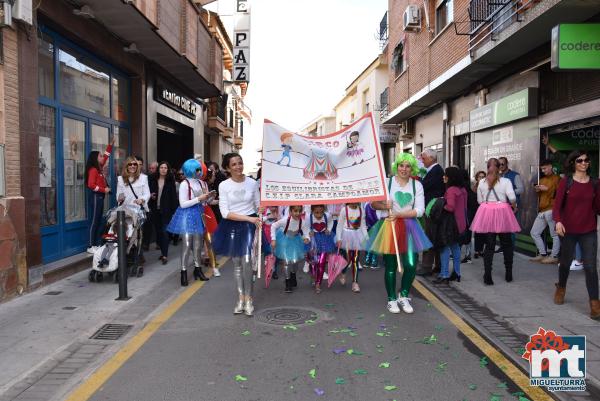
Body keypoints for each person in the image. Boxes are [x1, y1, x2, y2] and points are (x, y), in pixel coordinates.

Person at [367, 153, 432, 314]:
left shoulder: (417, 185)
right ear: (397, 166)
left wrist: (400, 214)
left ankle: (403, 295)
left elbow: (420, 210)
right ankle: (391, 299)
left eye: (408, 166)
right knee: (391, 265)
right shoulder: (387, 183)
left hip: (410, 227)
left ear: (412, 168)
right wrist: (383, 206)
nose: (404, 169)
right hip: (389, 226)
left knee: (410, 264)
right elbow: (373, 204)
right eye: (401, 165)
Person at [212, 153, 262, 316]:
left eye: (240, 163)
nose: (238, 166)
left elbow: (258, 204)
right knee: (237, 263)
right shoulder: (224, 186)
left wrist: (261, 210)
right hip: (231, 225)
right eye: (234, 164)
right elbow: (225, 212)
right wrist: (249, 217)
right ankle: (240, 298)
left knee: (247, 261)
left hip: (249, 226)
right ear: (227, 168)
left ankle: (249, 299)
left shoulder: (252, 183)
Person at [552, 150, 600, 320]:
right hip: (568, 229)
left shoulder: (595, 183)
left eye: (586, 160)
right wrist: (558, 221)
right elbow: (557, 206)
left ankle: (595, 305)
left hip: (588, 230)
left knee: (590, 268)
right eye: (580, 160)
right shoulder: (567, 182)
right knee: (565, 264)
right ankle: (561, 288)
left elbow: (597, 207)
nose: (584, 163)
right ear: (573, 163)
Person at [471, 158, 520, 285]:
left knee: (489, 245)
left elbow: (480, 201)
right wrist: (514, 206)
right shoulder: (505, 181)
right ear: (499, 168)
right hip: (503, 212)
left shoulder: (481, 182)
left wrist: (489, 204)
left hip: (487, 212)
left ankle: (487, 275)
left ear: (487, 167)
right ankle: (508, 273)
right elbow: (512, 197)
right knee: (507, 244)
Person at [167, 159, 213, 286]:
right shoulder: (184, 184)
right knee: (187, 245)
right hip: (187, 215)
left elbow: (205, 203)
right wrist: (200, 198)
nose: (200, 171)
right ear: (191, 170)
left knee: (198, 245)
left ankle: (198, 270)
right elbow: (183, 204)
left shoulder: (202, 183)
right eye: (197, 169)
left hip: (199, 213)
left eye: (200, 169)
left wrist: (209, 198)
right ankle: (183, 271)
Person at [116, 156, 151, 276]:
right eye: (130, 165)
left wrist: (141, 199)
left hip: (138, 210)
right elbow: (118, 195)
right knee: (124, 234)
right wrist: (120, 198)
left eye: (134, 165)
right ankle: (122, 257)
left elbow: (147, 193)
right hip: (124, 211)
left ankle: (137, 258)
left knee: (137, 235)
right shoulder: (121, 179)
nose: (132, 166)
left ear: (137, 166)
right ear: (126, 166)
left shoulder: (143, 178)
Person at [434, 167, 467, 284]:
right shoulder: (462, 189)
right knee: (455, 247)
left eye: (445, 175)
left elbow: (451, 207)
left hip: (450, 224)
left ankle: (444, 274)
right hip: (460, 223)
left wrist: (440, 206)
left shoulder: (451, 190)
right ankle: (457, 273)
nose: (444, 177)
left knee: (444, 248)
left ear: (450, 177)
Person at [85, 137, 115, 253]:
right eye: (100, 156)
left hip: (99, 197)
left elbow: (106, 156)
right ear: (95, 158)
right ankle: (90, 246)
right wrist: (104, 190)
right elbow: (91, 185)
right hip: (96, 197)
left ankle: (95, 244)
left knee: (98, 220)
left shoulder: (99, 167)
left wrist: (110, 145)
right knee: (94, 221)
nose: (102, 158)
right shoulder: (93, 170)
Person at [417, 148, 444, 276]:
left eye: (424, 158)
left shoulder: (436, 171)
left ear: (431, 158)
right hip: (431, 209)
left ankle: (427, 266)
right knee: (433, 237)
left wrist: (418, 178)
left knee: (429, 237)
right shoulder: (431, 170)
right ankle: (437, 266)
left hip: (432, 209)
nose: (422, 161)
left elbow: (424, 187)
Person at [529, 159, 561, 265]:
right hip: (542, 209)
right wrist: (538, 190)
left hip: (552, 209)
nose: (543, 170)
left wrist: (547, 189)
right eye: (542, 169)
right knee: (534, 232)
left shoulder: (558, 179)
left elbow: (560, 195)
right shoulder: (541, 180)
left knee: (554, 234)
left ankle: (554, 256)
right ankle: (543, 254)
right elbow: (541, 195)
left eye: (545, 168)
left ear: (551, 166)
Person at [270, 205, 306, 293]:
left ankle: (293, 275)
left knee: (294, 261)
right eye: (295, 211)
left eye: (299, 211)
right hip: (284, 241)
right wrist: (273, 239)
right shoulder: (285, 220)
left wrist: (306, 237)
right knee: (286, 262)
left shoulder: (302, 221)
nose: (297, 213)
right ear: (290, 212)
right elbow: (273, 226)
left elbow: (305, 230)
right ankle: (287, 282)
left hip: (296, 241)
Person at [148, 161, 178, 265]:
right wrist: (150, 196)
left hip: (167, 210)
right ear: (158, 169)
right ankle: (162, 251)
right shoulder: (152, 179)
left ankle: (165, 255)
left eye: (165, 168)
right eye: (161, 167)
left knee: (165, 232)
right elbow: (147, 193)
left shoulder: (170, 181)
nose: (163, 169)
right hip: (155, 210)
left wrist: (175, 211)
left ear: (168, 169)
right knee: (159, 233)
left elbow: (174, 197)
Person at [336, 202, 368, 293]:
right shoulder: (344, 210)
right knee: (347, 259)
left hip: (357, 236)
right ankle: (343, 273)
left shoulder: (361, 210)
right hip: (346, 236)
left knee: (355, 259)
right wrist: (339, 238)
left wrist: (366, 237)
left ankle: (355, 282)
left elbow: (363, 225)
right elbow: (340, 225)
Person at [303, 205, 335, 294]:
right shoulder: (308, 217)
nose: (319, 215)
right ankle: (313, 276)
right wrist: (307, 236)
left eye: (321, 212)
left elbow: (331, 222)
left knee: (322, 263)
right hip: (313, 240)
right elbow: (305, 228)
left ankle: (318, 283)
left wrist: (328, 229)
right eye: (316, 212)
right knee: (313, 263)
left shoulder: (327, 215)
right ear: (312, 211)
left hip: (324, 240)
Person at [498, 157, 524, 252]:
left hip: (512, 206)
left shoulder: (515, 175)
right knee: (502, 228)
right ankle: (503, 247)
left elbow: (521, 189)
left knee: (511, 228)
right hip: (500, 205)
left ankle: (510, 248)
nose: (501, 166)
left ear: (507, 164)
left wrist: (508, 192)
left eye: (502, 164)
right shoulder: (498, 176)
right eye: (499, 164)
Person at [471, 171, 487, 259]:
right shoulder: (473, 188)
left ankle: (482, 250)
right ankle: (477, 250)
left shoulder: (487, 187)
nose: (481, 178)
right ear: (477, 178)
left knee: (485, 232)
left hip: (485, 211)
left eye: (483, 176)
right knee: (477, 232)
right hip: (476, 212)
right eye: (480, 176)